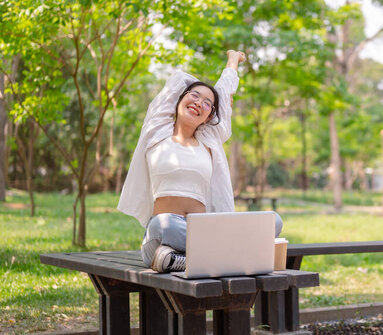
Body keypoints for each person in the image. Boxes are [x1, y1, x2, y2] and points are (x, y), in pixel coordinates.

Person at [117, 50, 282, 272]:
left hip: (204, 233)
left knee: (274, 221)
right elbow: (176, 82)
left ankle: (187, 260)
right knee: (161, 223)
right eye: (194, 95)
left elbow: (222, 95)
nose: (198, 103)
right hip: (165, 235)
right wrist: (199, 92)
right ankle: (229, 256)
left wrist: (232, 62)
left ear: (210, 116)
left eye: (207, 103)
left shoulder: (209, 142)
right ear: (179, 99)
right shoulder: (156, 132)